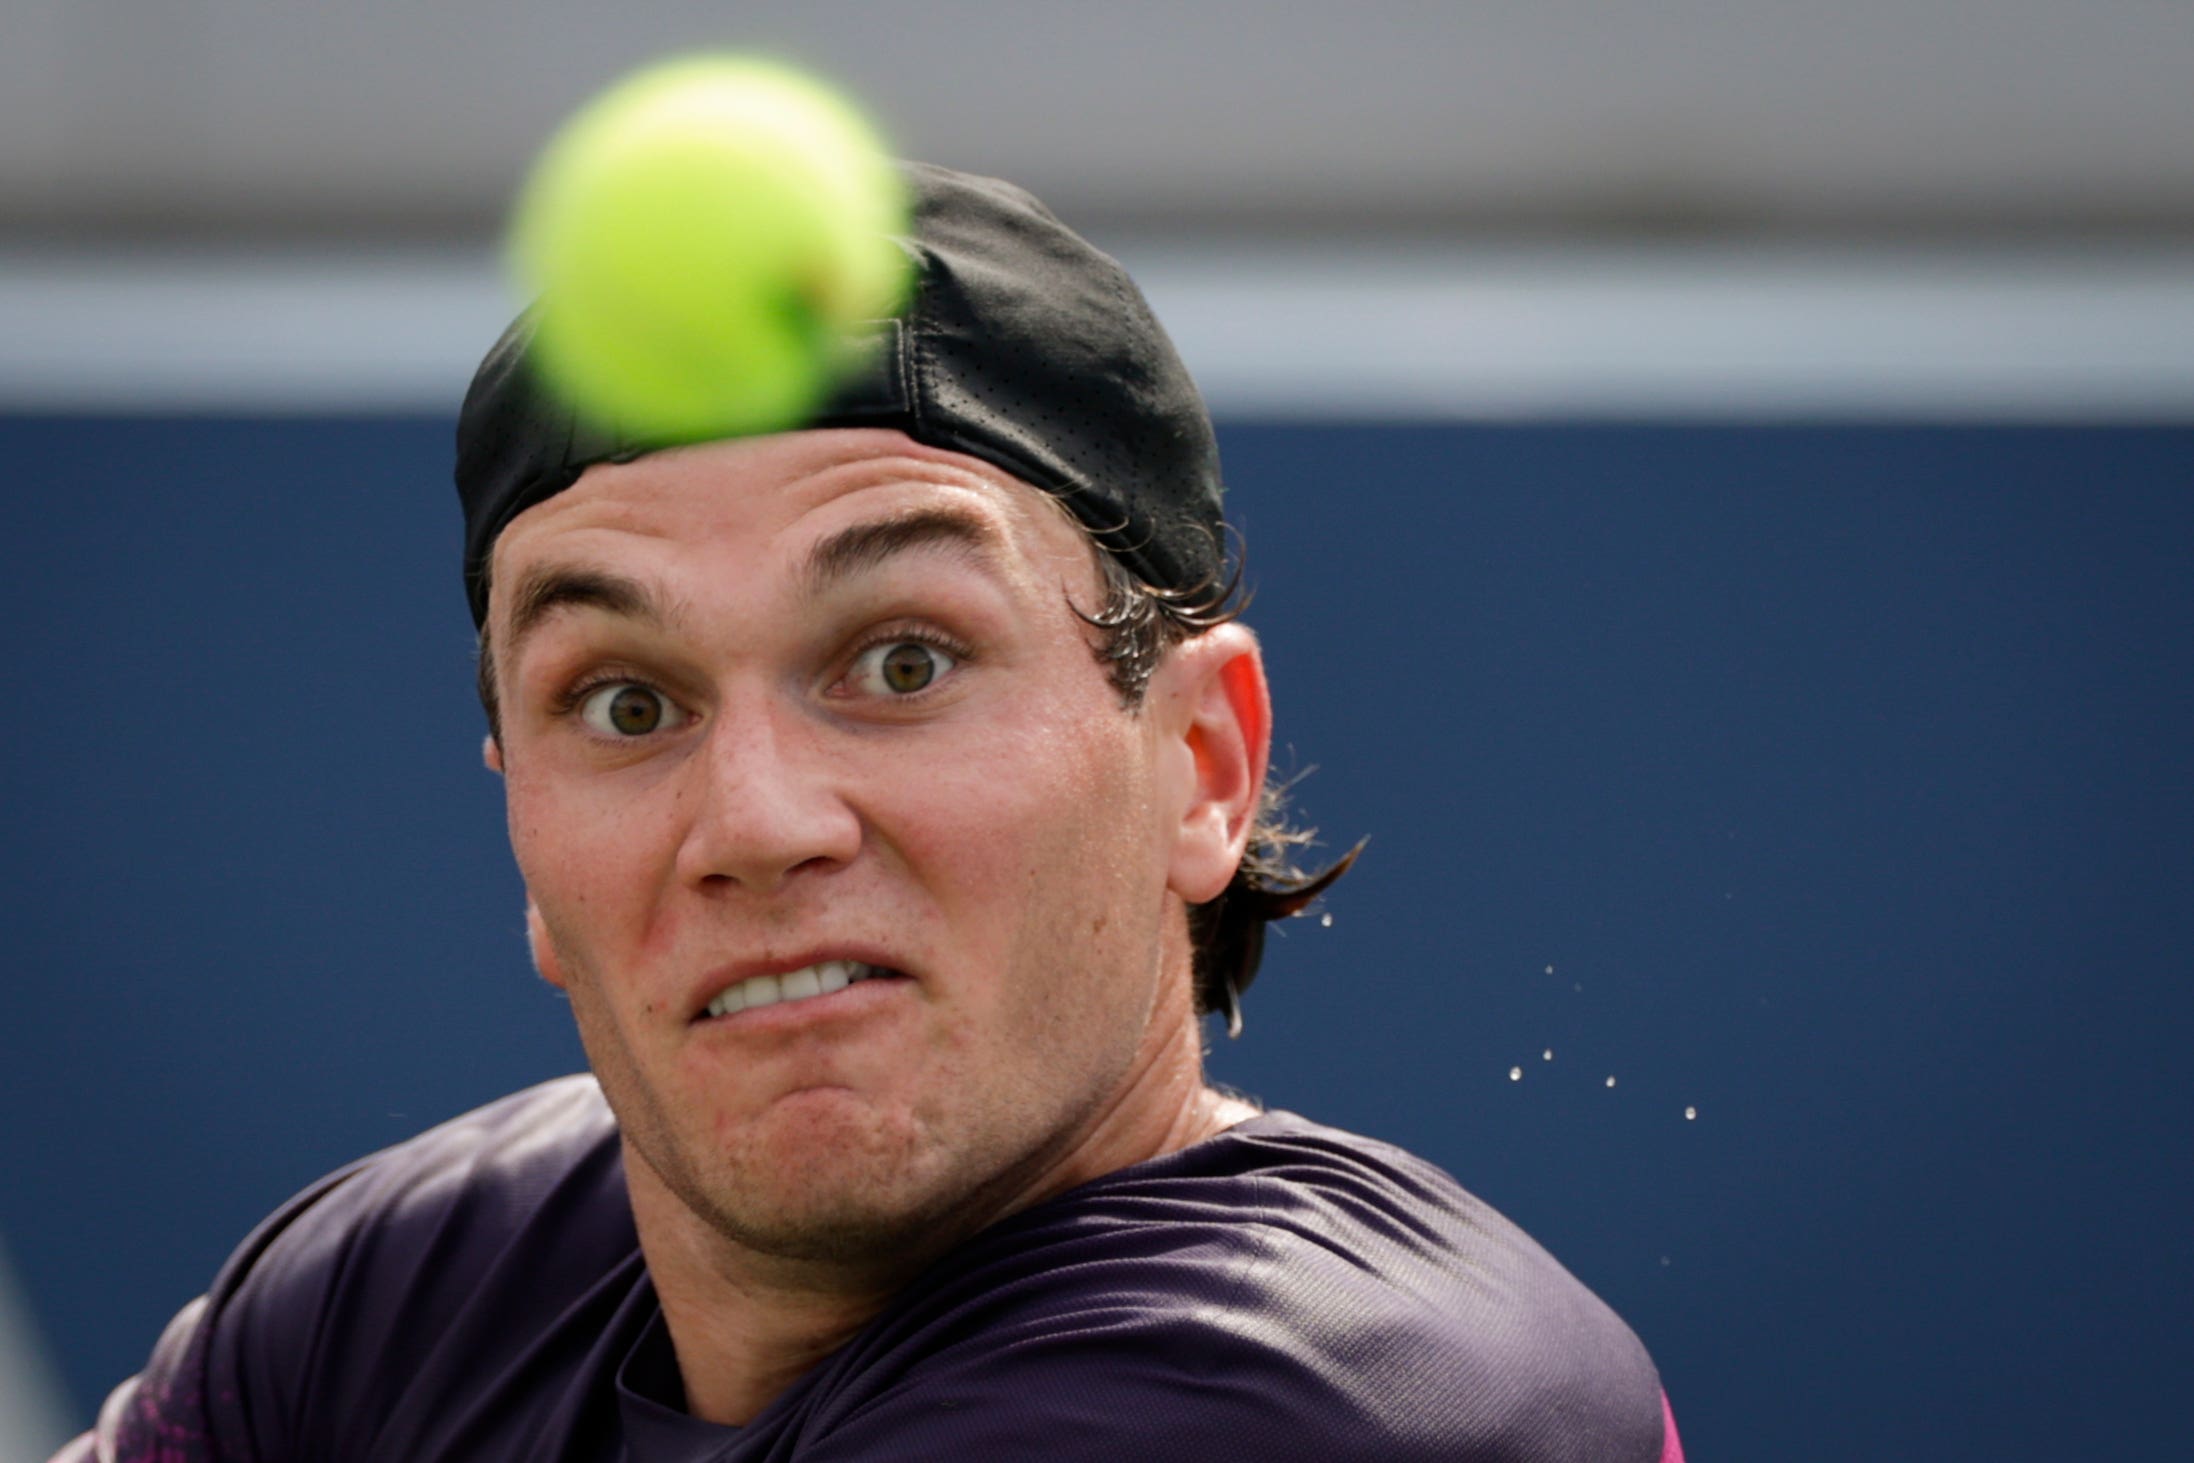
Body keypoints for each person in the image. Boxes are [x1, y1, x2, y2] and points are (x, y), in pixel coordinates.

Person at [56, 161, 1683, 1462]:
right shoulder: (418, 1285)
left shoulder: (1345, 1397)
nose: (755, 821)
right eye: (627, 704)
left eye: (901, 662)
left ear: (1200, 763)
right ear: (530, 853)